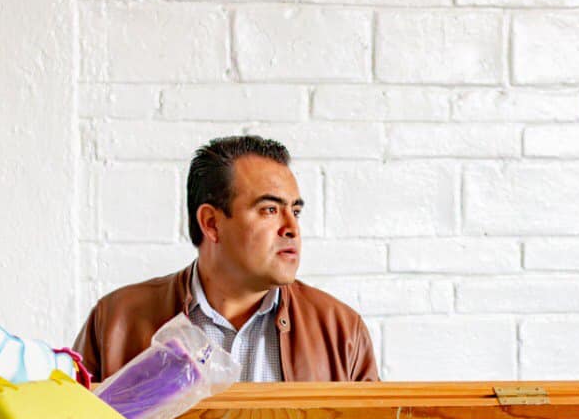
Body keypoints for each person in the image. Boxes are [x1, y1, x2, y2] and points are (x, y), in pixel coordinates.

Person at [74, 135, 379, 383]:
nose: (292, 229)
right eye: (270, 210)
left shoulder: (341, 331)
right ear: (211, 223)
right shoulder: (115, 321)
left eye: (295, 211)